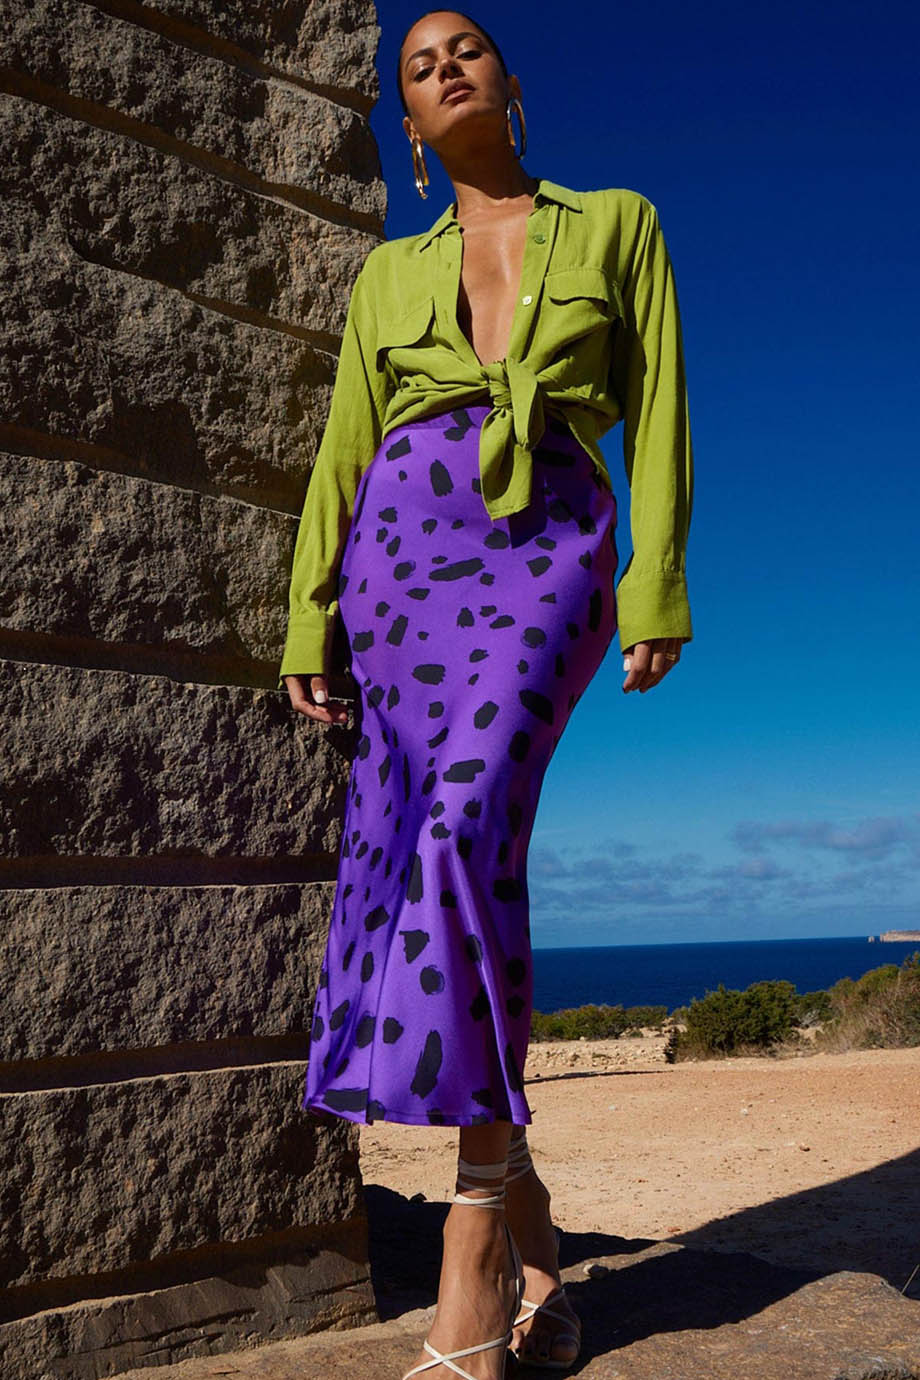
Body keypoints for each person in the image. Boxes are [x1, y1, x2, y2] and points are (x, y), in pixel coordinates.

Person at [279, 9, 694, 1376]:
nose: (444, 66)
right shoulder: (387, 274)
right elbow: (346, 446)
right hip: (400, 555)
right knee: (434, 857)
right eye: (416, 64)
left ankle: (471, 1254)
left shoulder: (617, 223)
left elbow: (659, 407)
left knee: (464, 829)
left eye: (466, 49)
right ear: (407, 127)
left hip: (549, 544)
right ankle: (534, 1236)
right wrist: (310, 612)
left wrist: (653, 583)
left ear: (511, 83)